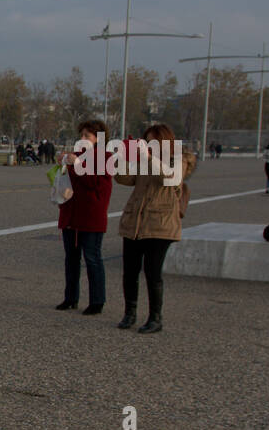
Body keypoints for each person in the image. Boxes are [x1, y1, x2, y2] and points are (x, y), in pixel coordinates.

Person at [115, 123, 197, 333]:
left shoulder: (179, 158)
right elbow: (124, 178)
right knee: (130, 271)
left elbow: (171, 178)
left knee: (152, 272)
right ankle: (129, 313)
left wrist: (150, 158)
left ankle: (155, 317)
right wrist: (123, 157)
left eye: (155, 141)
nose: (151, 145)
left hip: (160, 224)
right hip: (135, 221)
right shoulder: (144, 160)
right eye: (148, 140)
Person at [56, 120, 114, 314]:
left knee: (92, 258)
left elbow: (95, 182)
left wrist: (77, 164)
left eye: (87, 136)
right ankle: (70, 297)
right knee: (71, 259)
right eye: (81, 135)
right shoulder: (77, 156)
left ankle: (97, 300)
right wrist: (63, 163)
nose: (82, 139)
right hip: (71, 215)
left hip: (91, 217)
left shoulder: (105, 157)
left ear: (99, 139)